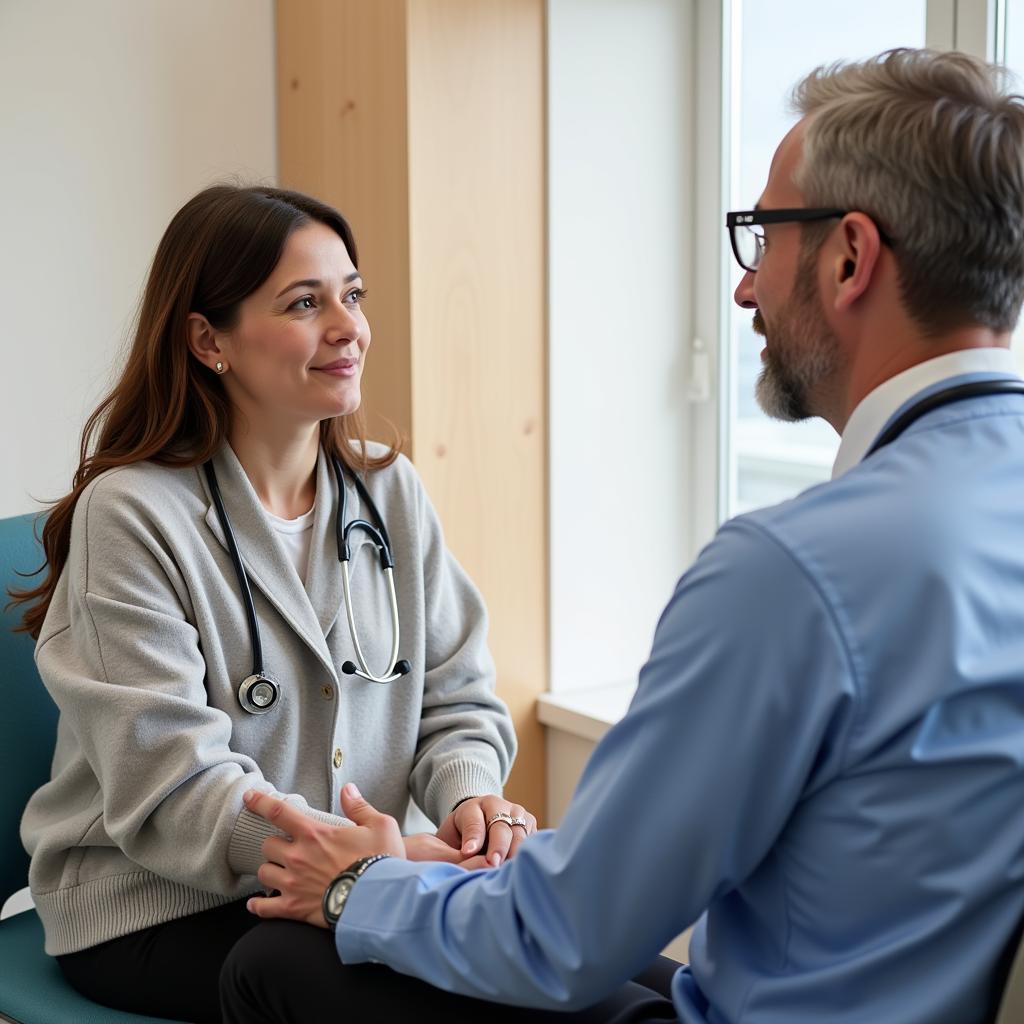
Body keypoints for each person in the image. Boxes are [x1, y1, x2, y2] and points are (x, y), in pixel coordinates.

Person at [229, 48, 1024, 1023]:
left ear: (850, 257)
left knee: (275, 960)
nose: (744, 291)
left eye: (761, 236)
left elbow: (560, 936)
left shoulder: (792, 572)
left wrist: (362, 883)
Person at [12, 184, 538, 1023]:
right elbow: (176, 786)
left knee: (564, 946)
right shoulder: (136, 514)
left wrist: (471, 802)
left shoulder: (388, 493)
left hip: (354, 880)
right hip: (152, 910)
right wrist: (387, 861)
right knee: (447, 975)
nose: (347, 327)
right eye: (305, 302)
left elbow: (456, 695)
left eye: (352, 295)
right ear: (207, 339)